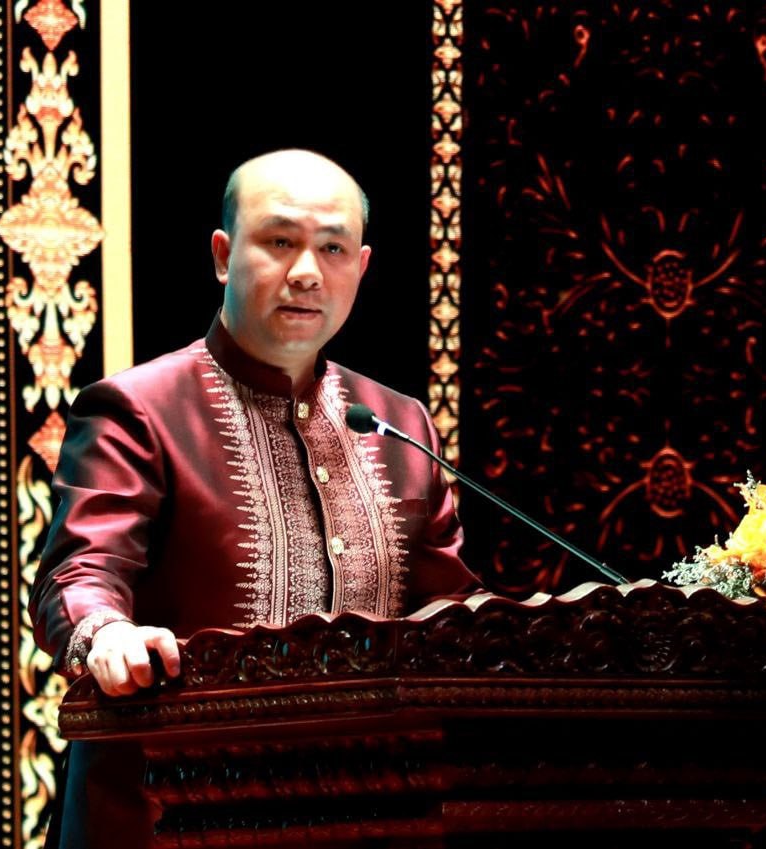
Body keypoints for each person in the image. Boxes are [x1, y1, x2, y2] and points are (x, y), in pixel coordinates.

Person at [30, 149, 479, 848]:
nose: (306, 272)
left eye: (332, 248)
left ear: (361, 267)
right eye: (279, 241)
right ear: (222, 255)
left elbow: (448, 612)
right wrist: (106, 634)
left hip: (370, 813)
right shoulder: (136, 410)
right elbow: (82, 569)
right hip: (169, 813)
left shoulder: (399, 423)